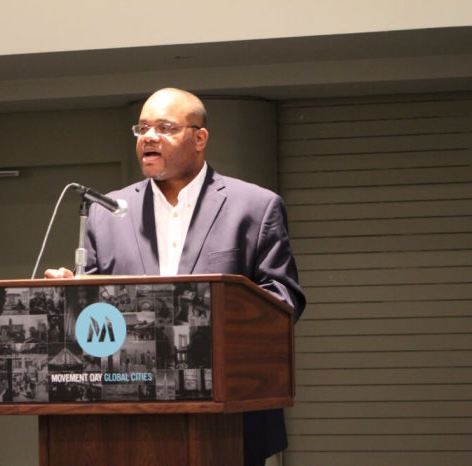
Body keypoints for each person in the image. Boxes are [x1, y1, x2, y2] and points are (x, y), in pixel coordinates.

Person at [45, 87, 305, 466]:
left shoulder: (255, 206)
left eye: (165, 127)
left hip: (229, 419)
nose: (149, 137)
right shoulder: (108, 211)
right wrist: (73, 294)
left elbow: (284, 302)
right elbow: (98, 312)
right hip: (128, 416)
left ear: (200, 138)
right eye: (143, 128)